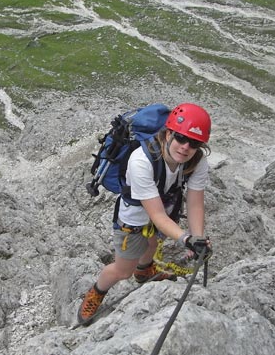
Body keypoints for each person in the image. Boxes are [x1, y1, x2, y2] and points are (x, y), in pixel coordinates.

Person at [77, 103, 213, 325]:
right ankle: (96, 292)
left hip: (165, 207)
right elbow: (157, 215)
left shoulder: (197, 161)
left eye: (195, 143)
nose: (186, 147)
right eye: (180, 138)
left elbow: (196, 202)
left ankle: (145, 271)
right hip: (135, 216)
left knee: (152, 243)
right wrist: (187, 239)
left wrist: (198, 238)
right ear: (168, 133)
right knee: (122, 270)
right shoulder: (141, 160)